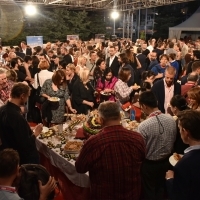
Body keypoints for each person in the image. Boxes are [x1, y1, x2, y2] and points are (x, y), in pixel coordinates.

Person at [75, 101, 146, 200]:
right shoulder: (137, 138)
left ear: (100, 120)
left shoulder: (94, 142)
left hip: (103, 196)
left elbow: (80, 168)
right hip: (132, 194)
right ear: (120, 117)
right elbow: (143, 160)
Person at [137, 91, 176, 200]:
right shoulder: (171, 119)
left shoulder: (143, 126)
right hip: (168, 161)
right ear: (157, 102)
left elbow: (140, 149)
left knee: (149, 192)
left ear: (144, 106)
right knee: (162, 190)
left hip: (150, 165)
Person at [0, 83, 43, 164]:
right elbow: (25, 144)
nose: (27, 100)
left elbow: (11, 131)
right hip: (22, 159)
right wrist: (36, 133)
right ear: (22, 96)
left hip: (8, 154)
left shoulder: (2, 109)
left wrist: (27, 128)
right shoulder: (16, 116)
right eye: (27, 96)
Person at [166, 110, 200, 200]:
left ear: (185, 132)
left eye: (179, 129)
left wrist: (170, 179)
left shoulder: (183, 165)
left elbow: (177, 196)